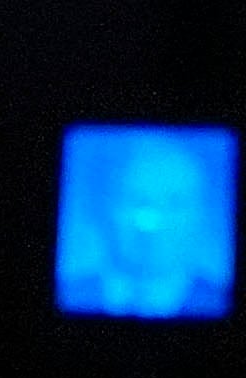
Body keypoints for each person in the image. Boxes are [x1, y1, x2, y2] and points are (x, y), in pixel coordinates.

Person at [56, 129, 233, 320]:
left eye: (176, 204)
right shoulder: (69, 295)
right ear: (100, 210)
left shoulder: (219, 300)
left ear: (201, 214)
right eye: (135, 201)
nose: (151, 224)